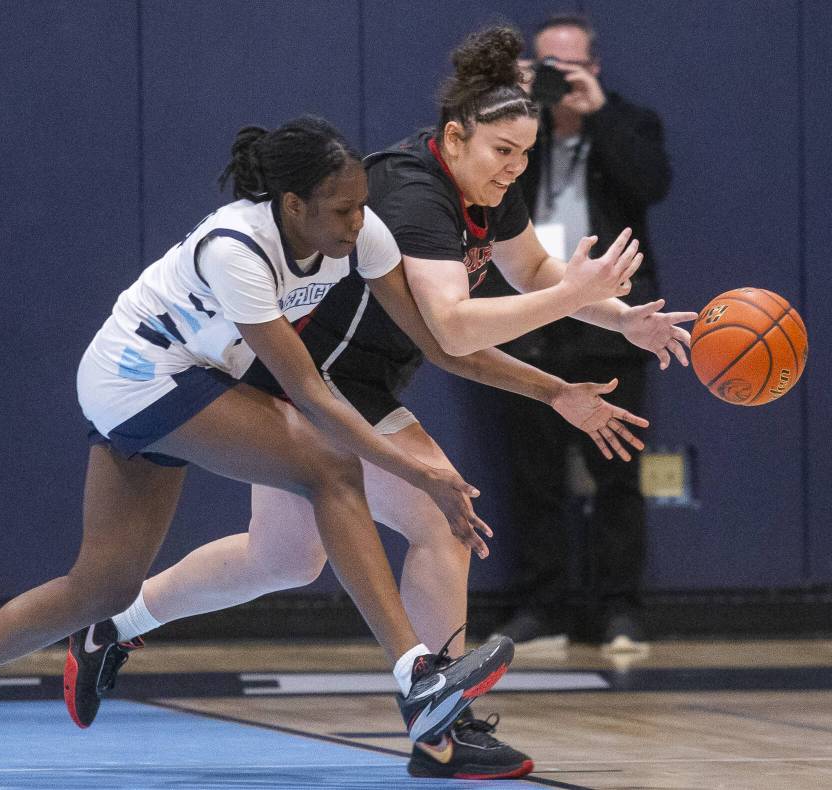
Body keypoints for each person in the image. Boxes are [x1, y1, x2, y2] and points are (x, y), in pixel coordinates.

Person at [65, 26, 695, 781]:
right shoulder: (412, 195)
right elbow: (452, 330)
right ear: (456, 137)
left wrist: (617, 317)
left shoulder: (488, 181)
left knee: (283, 559)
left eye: (526, 154)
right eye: (503, 152)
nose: (515, 168)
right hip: (306, 380)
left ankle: (110, 630)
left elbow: (530, 270)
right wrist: (569, 307)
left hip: (360, 384)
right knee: (440, 521)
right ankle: (441, 728)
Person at [0, 115, 521, 784]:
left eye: (361, 206)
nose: (358, 223)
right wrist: (422, 471)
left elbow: (438, 340)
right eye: (342, 209)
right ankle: (416, 676)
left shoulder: (359, 232)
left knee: (101, 586)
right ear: (293, 204)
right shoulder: (236, 249)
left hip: (181, 376)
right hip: (136, 377)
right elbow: (310, 396)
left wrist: (558, 390)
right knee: (330, 465)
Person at [491, 14, 673, 652]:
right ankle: (543, 606)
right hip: (529, 312)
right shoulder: (519, 131)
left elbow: (651, 184)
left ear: (595, 68)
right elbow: (495, 199)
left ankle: (619, 608)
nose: (561, 79)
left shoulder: (628, 121)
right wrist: (529, 107)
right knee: (533, 472)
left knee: (619, 468)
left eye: (573, 67)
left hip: (613, 320)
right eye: (548, 68)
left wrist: (597, 117)